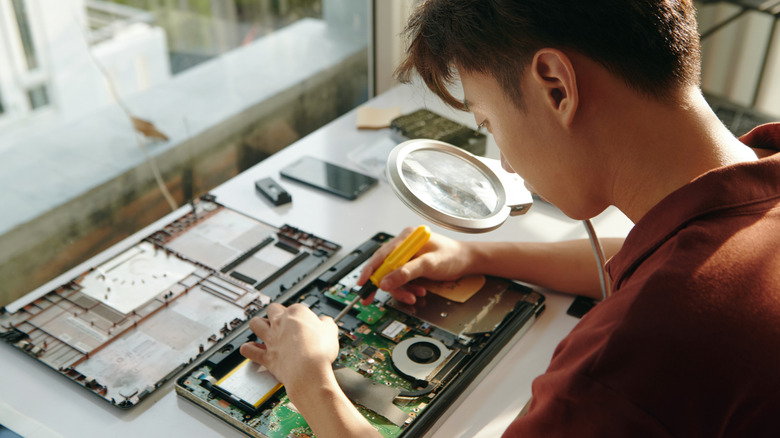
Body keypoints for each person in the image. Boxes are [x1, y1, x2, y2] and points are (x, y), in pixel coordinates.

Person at [240, 0, 780, 436]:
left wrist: (311, 381)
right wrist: (478, 253)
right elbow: (664, 256)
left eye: (488, 122)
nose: (503, 160)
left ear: (556, 87)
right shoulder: (754, 186)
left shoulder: (620, 365)